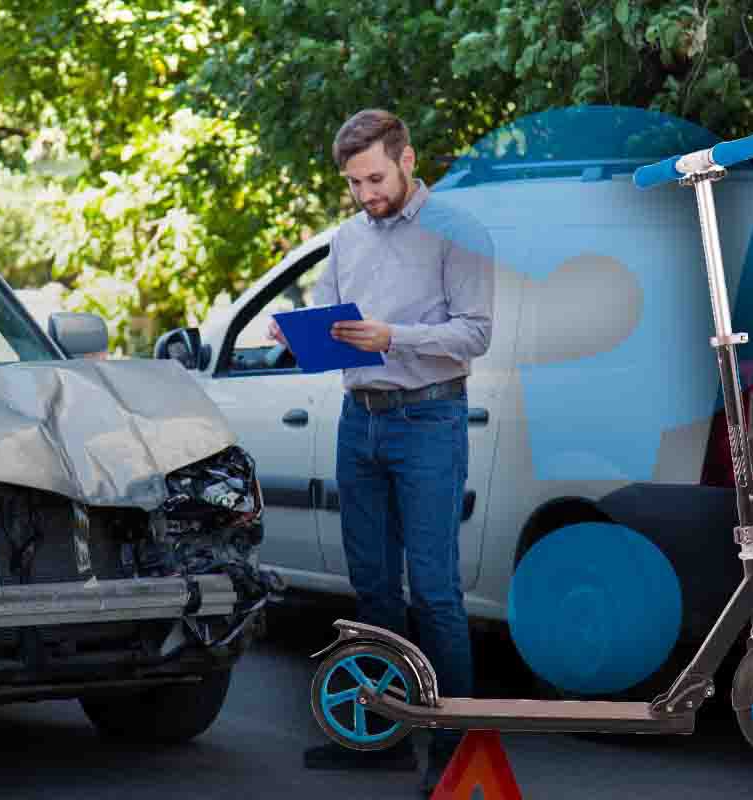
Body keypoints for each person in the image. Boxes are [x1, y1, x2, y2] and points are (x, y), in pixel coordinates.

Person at [271, 109, 494, 795]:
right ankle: (382, 735)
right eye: (354, 182)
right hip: (357, 422)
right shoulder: (346, 239)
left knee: (434, 591)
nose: (366, 193)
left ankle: (455, 754)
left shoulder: (456, 233)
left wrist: (391, 336)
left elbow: (476, 334)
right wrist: (300, 339)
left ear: (407, 159)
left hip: (428, 420)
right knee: (371, 587)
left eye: (374, 177)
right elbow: (328, 318)